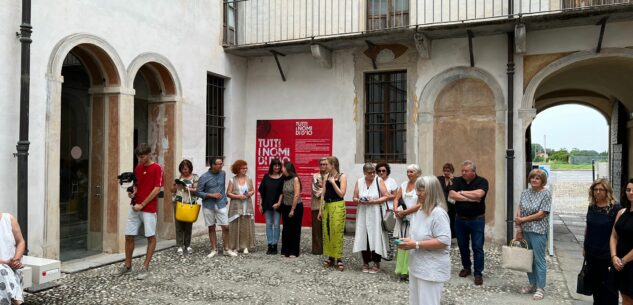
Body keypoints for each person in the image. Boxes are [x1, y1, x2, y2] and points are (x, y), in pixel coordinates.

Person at [398, 176, 451, 305]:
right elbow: (420, 235)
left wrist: (415, 244)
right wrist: (408, 241)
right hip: (417, 267)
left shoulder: (438, 213)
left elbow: (444, 241)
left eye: (421, 190)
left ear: (431, 191)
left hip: (431, 270)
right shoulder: (420, 210)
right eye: (417, 189)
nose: (417, 193)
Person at [118, 143, 164, 280]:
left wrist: (143, 203)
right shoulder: (138, 168)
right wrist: (132, 194)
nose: (140, 159)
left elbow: (157, 189)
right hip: (135, 206)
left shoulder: (157, 168)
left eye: (142, 156)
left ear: (149, 154)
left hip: (148, 208)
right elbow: (136, 186)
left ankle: (145, 267)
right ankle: (127, 265)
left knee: (150, 237)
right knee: (128, 236)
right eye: (138, 157)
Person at [448, 160, 488, 286]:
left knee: (477, 247)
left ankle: (478, 273)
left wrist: (461, 192)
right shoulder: (457, 180)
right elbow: (451, 194)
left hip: (477, 220)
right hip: (460, 219)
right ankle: (466, 267)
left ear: (473, 172)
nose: (463, 173)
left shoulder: (482, 181)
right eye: (462, 171)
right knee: (462, 246)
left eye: (466, 171)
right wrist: (470, 197)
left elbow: (479, 194)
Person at [515, 169, 553, 301]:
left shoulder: (546, 194)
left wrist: (522, 220)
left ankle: (540, 287)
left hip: (538, 231)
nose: (534, 180)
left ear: (542, 181)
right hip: (525, 230)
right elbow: (519, 208)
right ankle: (532, 284)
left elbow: (541, 214)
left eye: (537, 178)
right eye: (532, 178)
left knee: (539, 259)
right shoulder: (525, 192)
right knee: (528, 258)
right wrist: (518, 227)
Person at [197, 157, 237, 258]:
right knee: (211, 227)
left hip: (221, 203)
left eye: (221, 163)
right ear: (212, 165)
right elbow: (198, 192)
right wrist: (211, 195)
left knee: (226, 227)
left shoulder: (223, 173)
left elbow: (222, 188)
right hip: (208, 205)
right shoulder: (204, 177)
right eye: (219, 164)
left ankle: (226, 249)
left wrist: (224, 199)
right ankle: (214, 249)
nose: (221, 166)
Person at [352, 163, 389, 273]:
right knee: (364, 236)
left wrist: (374, 201)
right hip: (363, 213)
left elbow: (387, 196)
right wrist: (359, 200)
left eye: (373, 172)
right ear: (364, 173)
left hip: (375, 213)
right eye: (370, 172)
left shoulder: (379, 181)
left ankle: (376, 262)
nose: (372, 174)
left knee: (376, 236)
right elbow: (354, 197)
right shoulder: (359, 181)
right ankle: (365, 262)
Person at [393, 164, 422, 281]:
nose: (409, 174)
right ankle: (401, 270)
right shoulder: (404, 185)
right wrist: (396, 209)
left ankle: (410, 271)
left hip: (415, 218)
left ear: (418, 173)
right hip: (403, 218)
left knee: (411, 243)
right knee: (402, 242)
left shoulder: (421, 186)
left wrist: (406, 212)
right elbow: (396, 198)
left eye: (411, 172)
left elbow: (420, 204)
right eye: (408, 171)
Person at [318, 156, 347, 271]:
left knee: (337, 231)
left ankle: (339, 258)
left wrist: (333, 183)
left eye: (327, 164)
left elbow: (342, 194)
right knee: (328, 231)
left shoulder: (342, 176)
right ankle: (330, 256)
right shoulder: (326, 176)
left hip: (338, 205)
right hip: (327, 206)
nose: (325, 166)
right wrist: (320, 210)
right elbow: (323, 194)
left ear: (333, 165)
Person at [610, 178, 633, 305]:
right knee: (624, 297)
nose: (631, 193)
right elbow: (614, 236)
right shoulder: (621, 212)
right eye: (628, 190)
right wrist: (614, 256)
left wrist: (623, 260)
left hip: (628, 262)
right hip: (619, 262)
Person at [226, 160, 256, 254]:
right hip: (236, 205)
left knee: (246, 225)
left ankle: (245, 246)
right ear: (238, 169)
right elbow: (228, 193)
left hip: (247, 205)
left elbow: (252, 190)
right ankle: (235, 246)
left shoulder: (249, 178)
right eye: (243, 168)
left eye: (246, 168)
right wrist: (238, 196)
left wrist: (248, 194)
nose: (245, 170)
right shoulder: (232, 180)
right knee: (235, 225)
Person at [170, 159, 198, 255]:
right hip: (178, 203)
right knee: (178, 225)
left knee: (188, 225)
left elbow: (197, 190)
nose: (184, 171)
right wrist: (176, 186)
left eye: (186, 169)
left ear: (190, 169)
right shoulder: (177, 177)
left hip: (190, 203)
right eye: (182, 169)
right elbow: (171, 190)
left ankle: (188, 245)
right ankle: (179, 245)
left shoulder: (194, 177)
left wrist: (188, 188)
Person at [258, 158, 284, 255]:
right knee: (269, 225)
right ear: (272, 166)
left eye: (278, 165)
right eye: (275, 165)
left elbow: (282, 193)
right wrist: (260, 204)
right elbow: (262, 192)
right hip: (267, 204)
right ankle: (270, 245)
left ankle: (275, 245)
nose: (277, 167)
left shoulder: (282, 177)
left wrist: (279, 203)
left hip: (277, 205)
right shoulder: (266, 177)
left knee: (277, 225)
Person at [0, 213, 25, 305]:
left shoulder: (9, 219)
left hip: (13, 268)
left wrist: (16, 260)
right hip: (3, 268)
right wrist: (6, 262)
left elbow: (20, 242)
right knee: (2, 271)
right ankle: (18, 301)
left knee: (7, 273)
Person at [280, 161, 304, 258]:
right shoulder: (284, 179)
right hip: (285, 206)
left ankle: (294, 251)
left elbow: (296, 194)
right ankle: (286, 250)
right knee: (286, 229)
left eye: (283, 167)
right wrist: (279, 203)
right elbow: (282, 193)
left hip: (296, 207)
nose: (281, 169)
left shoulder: (295, 179)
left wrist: (292, 209)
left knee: (295, 229)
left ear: (287, 168)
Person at [310, 157, 328, 255]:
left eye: (325, 164)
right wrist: (326, 189)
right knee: (316, 230)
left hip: (328, 206)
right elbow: (316, 191)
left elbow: (331, 191)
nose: (323, 166)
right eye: (321, 164)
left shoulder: (331, 176)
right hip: (316, 206)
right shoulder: (315, 176)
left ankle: (327, 250)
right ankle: (317, 250)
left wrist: (324, 188)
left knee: (327, 229)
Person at [437, 163, 456, 238]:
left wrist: (451, 181)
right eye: (444, 171)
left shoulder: (455, 180)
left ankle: (450, 237)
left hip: (451, 205)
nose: (446, 173)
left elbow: (454, 190)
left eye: (448, 171)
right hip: (441, 203)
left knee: (451, 220)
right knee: (441, 220)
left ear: (452, 171)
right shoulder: (439, 179)